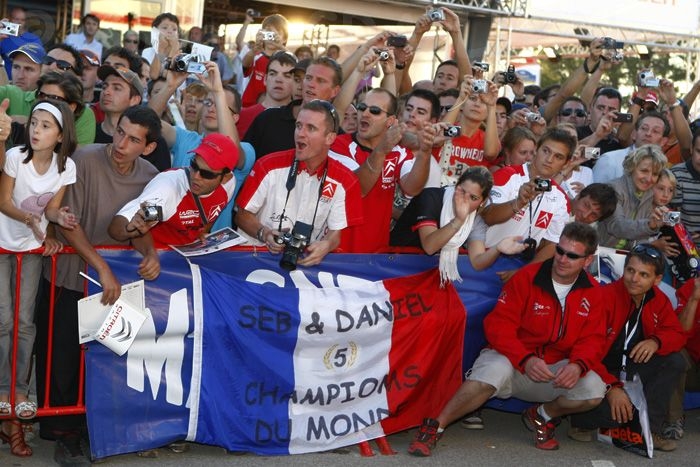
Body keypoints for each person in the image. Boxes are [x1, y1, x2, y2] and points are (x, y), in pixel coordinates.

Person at [408, 222, 607, 455]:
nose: (562, 259)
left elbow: (594, 339)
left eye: (572, 255)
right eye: (559, 251)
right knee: (493, 370)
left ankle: (542, 416)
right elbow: (497, 325)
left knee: (594, 389)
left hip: (553, 371)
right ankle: (435, 427)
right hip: (514, 362)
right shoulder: (526, 277)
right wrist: (525, 359)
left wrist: (577, 365)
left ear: (588, 261)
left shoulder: (595, 292)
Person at [34, 105, 161, 465]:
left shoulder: (151, 175)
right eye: (120, 131)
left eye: (133, 139)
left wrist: (149, 253)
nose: (121, 142)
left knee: (110, 358)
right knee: (62, 361)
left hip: (115, 285)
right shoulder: (83, 159)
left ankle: (101, 429)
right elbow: (67, 224)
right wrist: (103, 267)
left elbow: (139, 227)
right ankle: (64, 436)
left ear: (148, 148)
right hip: (69, 276)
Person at [0, 100, 76, 458]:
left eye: (46, 126)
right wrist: (32, 223)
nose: (36, 130)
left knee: (25, 322)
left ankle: (18, 394)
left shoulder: (66, 167)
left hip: (31, 249)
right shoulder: (16, 155)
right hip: (3, 244)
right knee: (4, 319)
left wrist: (57, 218)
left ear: (60, 136)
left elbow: (48, 208)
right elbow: (3, 202)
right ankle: (4, 391)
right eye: (33, 123)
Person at [568, 244, 686, 452]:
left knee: (674, 360)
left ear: (656, 280)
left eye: (643, 274)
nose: (634, 279)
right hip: (598, 373)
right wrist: (612, 387)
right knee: (612, 412)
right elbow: (584, 351)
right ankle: (583, 423)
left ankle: (650, 430)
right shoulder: (604, 297)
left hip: (628, 372)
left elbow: (676, 334)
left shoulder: (658, 300)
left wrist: (656, 341)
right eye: (630, 270)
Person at [235, 100, 362, 267]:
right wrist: (264, 233)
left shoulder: (345, 180)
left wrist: (327, 245)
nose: (300, 134)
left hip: (305, 268)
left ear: (330, 138)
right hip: (257, 262)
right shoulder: (267, 165)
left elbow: (335, 232)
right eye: (298, 126)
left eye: (311, 128)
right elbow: (241, 215)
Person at [108, 132, 238, 277]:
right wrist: (132, 231)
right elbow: (120, 227)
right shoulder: (168, 190)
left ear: (225, 177)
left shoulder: (229, 185)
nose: (196, 176)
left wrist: (200, 231)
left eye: (206, 174)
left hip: (186, 262)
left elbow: (208, 215)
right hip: (153, 263)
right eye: (194, 165)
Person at [330, 88, 433, 253]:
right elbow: (358, 189)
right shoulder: (338, 145)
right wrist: (381, 151)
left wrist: (425, 153)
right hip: (338, 252)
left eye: (375, 111)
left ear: (390, 121)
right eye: (362, 107)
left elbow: (412, 187)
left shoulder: (398, 152)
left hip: (375, 255)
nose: (365, 114)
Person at [390, 166, 526, 278]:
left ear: (482, 201)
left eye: (473, 197)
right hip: (393, 264)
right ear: (456, 186)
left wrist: (497, 248)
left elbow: (477, 262)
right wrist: (459, 220)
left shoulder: (475, 220)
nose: (464, 200)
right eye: (461, 191)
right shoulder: (430, 197)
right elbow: (429, 246)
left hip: (425, 272)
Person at [480, 127, 576, 264]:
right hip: (485, 254)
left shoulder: (561, 199)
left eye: (558, 156)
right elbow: (487, 216)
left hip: (522, 265)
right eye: (546, 151)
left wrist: (525, 272)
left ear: (566, 163)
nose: (549, 159)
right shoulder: (507, 175)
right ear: (536, 149)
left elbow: (551, 244)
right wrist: (518, 203)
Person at [244, 56, 342, 158]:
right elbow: (242, 163)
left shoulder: (338, 137)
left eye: (320, 81)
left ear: (335, 91)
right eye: (308, 78)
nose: (311, 84)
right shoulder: (268, 118)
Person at [598, 144, 667, 249]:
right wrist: (649, 225)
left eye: (655, 174)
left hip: (629, 255)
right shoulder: (613, 188)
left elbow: (641, 237)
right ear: (631, 168)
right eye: (644, 171)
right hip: (601, 251)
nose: (649, 179)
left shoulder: (648, 194)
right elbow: (617, 226)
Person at [593, 111, 670, 184]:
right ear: (634, 134)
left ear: (663, 141)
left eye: (655, 131)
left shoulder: (664, 169)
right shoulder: (610, 160)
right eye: (644, 128)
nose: (648, 133)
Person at [237, 50, 296, 137]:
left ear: (296, 82)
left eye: (287, 76)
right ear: (265, 79)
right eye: (273, 74)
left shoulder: (300, 119)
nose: (278, 80)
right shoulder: (243, 116)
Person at [241, 13, 289, 107]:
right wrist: (255, 48)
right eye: (269, 32)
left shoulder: (286, 61)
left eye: (277, 33)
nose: (272, 37)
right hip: (249, 107)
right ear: (262, 33)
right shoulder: (255, 55)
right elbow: (245, 64)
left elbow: (296, 63)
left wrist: (280, 47)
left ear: (284, 39)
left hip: (274, 110)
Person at [0, 7, 42, 78]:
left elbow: (39, 62)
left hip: (25, 82)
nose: (19, 22)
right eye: (16, 19)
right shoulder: (3, 37)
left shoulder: (34, 39)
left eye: (22, 20)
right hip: (5, 80)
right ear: (9, 19)